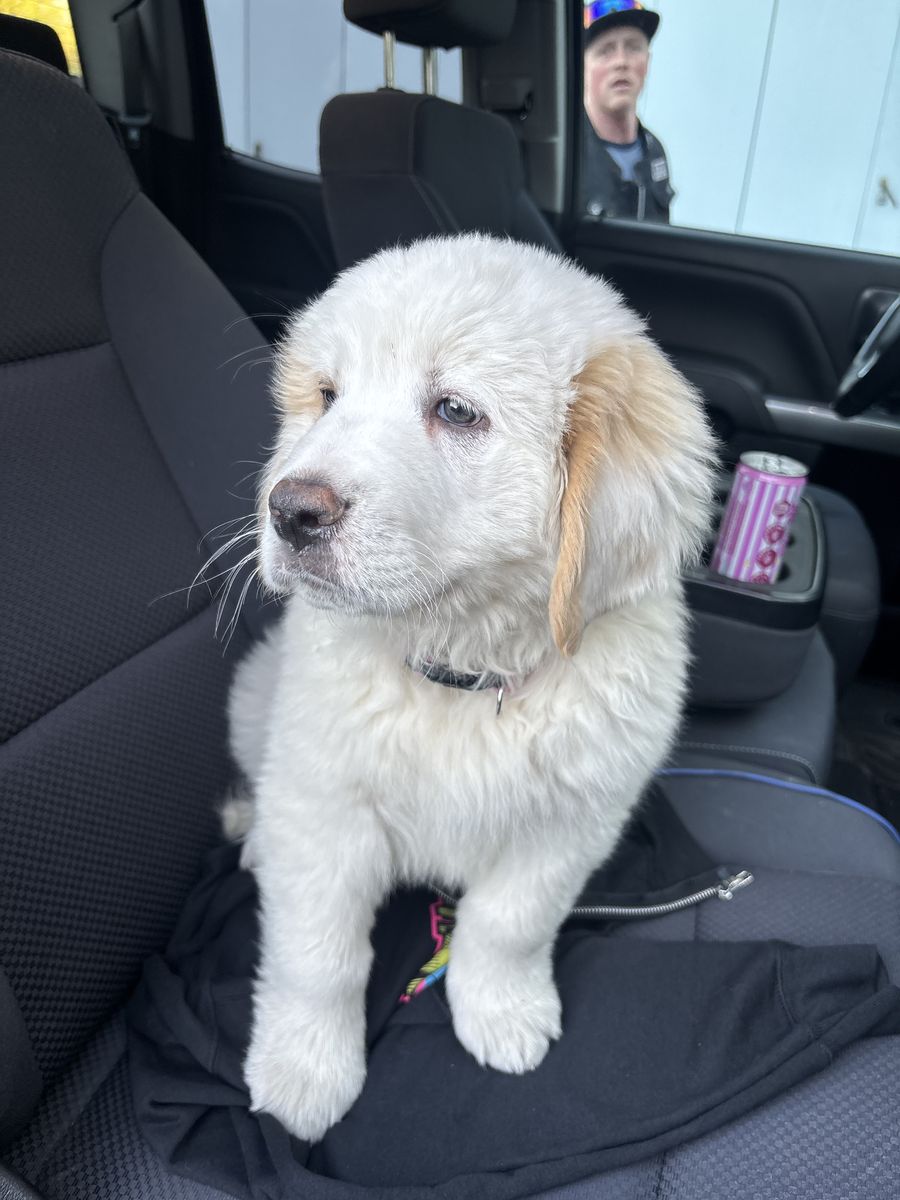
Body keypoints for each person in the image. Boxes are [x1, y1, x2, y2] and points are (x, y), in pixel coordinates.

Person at [581, 0, 674, 223]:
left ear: (647, 61)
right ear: (582, 66)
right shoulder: (567, 151)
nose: (621, 62)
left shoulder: (655, 152)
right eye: (605, 51)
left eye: (633, 47)